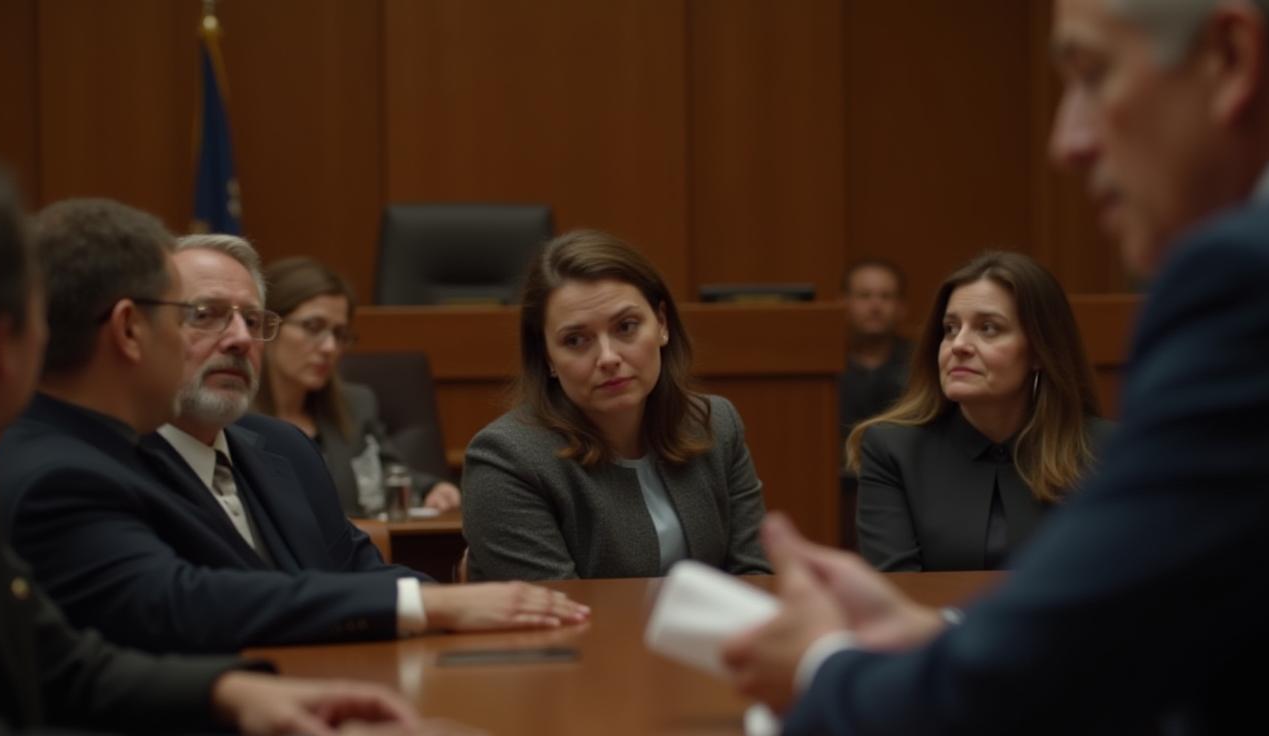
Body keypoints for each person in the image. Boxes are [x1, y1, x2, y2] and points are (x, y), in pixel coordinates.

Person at [722, 0, 1269, 736]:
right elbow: (1185, 650)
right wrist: (942, 641)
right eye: (952, 328)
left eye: (1093, 74)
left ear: (1231, 59)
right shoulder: (898, 446)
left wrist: (822, 668)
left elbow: (1007, 707)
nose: (1066, 143)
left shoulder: (1248, 279)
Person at [0, 149, 491, 736]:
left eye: (251, 320)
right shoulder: (53, 469)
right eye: (194, 316)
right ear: (1, 341)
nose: (51, 335)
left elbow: (66, 667)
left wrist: (233, 694)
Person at [0, 226, 589, 654]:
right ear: (141, 331)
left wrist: (471, 611)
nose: (238, 339)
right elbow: (186, 604)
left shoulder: (280, 445)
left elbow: (358, 568)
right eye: (206, 314)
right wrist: (428, 607)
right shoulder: (104, 463)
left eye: (252, 321)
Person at [462, 229, 771, 581]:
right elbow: (555, 606)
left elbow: (756, 576)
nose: (608, 357)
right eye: (576, 340)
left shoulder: (715, 425)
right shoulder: (508, 459)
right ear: (547, 357)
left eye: (626, 327)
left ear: (662, 324)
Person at [847, 251, 1113, 571]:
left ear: (1039, 352)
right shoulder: (893, 451)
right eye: (950, 328)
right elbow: (896, 587)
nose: (959, 344)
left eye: (988, 328)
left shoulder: (1107, 451)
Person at [254, 256, 461, 516]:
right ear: (269, 324)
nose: (330, 347)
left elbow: (390, 473)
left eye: (340, 334)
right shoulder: (233, 417)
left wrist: (431, 489)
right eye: (313, 327)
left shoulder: (355, 405)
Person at [838, 259, 911, 450]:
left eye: (886, 296)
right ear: (844, 304)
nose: (875, 306)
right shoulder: (824, 366)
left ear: (901, 307)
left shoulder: (922, 364)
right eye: (864, 296)